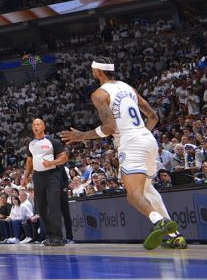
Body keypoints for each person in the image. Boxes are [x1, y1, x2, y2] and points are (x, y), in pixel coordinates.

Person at [62, 56, 187, 250]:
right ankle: (174, 235)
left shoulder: (99, 94)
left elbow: (110, 128)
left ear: (98, 72)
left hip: (131, 142)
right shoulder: (128, 88)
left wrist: (81, 136)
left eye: (93, 69)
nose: (92, 72)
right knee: (147, 190)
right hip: (147, 139)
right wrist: (141, 134)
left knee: (133, 194)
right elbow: (153, 117)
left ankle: (159, 222)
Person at [22, 118, 67, 246]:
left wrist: (52, 163)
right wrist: (26, 176)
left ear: (43, 126)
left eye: (38, 124)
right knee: (41, 208)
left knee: (53, 205)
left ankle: (58, 236)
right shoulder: (30, 144)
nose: (36, 126)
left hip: (52, 175)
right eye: (34, 125)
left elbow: (64, 157)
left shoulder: (52, 141)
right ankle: (49, 235)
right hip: (38, 177)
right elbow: (29, 162)